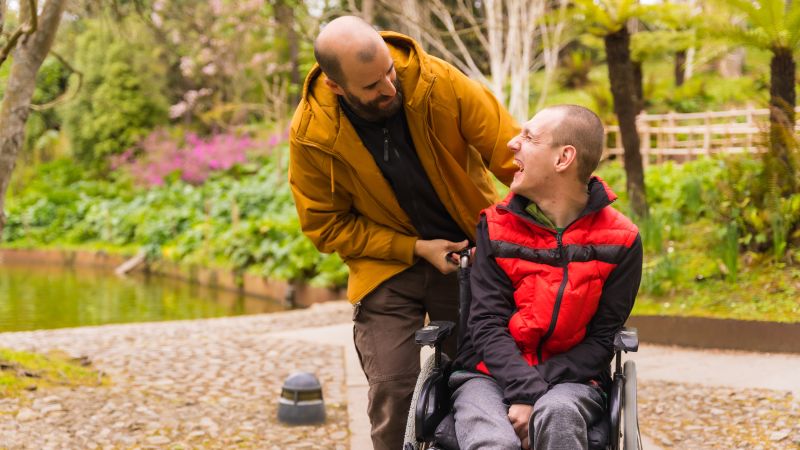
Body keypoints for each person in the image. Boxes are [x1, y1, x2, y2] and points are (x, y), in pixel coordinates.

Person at [288, 16, 519, 450]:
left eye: (389, 71)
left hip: (467, 253)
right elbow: (326, 226)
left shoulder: (438, 82)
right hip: (386, 266)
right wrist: (413, 248)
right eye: (372, 86)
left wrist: (565, 209)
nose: (390, 88)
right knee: (394, 386)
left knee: (479, 378)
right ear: (338, 86)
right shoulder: (311, 135)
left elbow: (513, 154)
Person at [450, 105, 643, 450]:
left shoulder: (621, 240)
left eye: (528, 137)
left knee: (558, 414)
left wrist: (535, 391)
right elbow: (486, 323)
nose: (512, 143)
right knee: (493, 441)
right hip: (486, 374)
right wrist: (524, 389)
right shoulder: (495, 227)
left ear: (563, 158)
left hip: (572, 380)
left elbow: (601, 341)